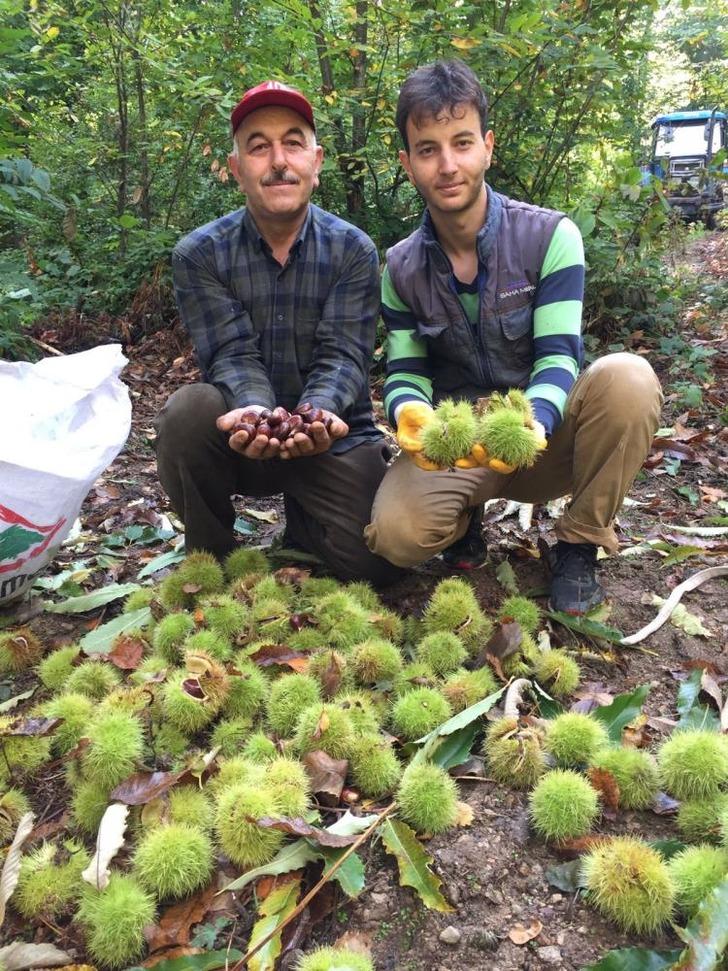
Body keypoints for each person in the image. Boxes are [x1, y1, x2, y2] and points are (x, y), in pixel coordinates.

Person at [363, 60, 663, 613]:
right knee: (396, 536)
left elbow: (558, 359)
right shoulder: (399, 268)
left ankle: (579, 542)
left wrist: (531, 428)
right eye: (428, 149)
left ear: (488, 147)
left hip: (541, 435)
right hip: (459, 447)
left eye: (461, 142)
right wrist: (407, 410)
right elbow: (406, 369)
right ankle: (461, 523)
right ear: (407, 164)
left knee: (629, 379)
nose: (448, 164)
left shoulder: (552, 236)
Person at [156, 80, 400, 585]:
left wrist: (323, 414)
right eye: (259, 147)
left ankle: (308, 523)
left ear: (316, 160)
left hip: (333, 436)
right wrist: (257, 410)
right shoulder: (199, 254)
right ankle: (212, 555)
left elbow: (344, 355)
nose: (278, 161)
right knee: (186, 414)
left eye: (292, 142)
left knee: (378, 567)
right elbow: (231, 352)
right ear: (236, 168)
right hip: (243, 436)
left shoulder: (352, 250)